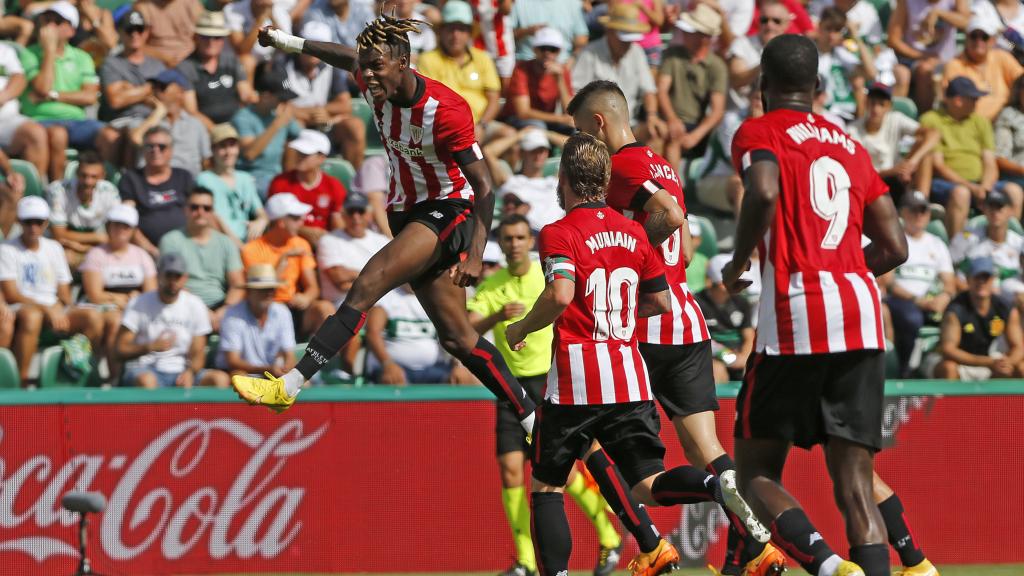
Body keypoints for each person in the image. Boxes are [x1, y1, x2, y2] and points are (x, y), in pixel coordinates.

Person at [232, 13, 538, 432]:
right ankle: (533, 418)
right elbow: (342, 57)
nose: (367, 74)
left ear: (403, 63)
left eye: (377, 65)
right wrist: (287, 42)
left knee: (368, 282)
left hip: (450, 209)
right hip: (406, 212)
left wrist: (476, 255)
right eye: (366, 64)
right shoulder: (373, 81)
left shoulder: (446, 110)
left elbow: (484, 189)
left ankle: (291, 383)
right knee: (457, 338)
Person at [503, 132, 753, 576]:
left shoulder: (559, 232)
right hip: (630, 380)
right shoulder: (635, 233)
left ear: (564, 180)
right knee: (648, 485)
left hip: (576, 385)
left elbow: (561, 295)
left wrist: (521, 327)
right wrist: (616, 315)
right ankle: (714, 486)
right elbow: (659, 302)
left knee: (546, 487)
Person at [722, 33, 916, 576]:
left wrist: (739, 263)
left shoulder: (758, 131)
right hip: (860, 312)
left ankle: (830, 567)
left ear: (763, 87)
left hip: (796, 312)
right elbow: (896, 246)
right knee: (855, 484)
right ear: (815, 88)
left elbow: (762, 191)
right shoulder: (850, 144)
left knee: (756, 472)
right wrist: (847, 272)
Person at [568, 79, 772, 566]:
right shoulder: (659, 162)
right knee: (706, 446)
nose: (582, 145)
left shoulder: (622, 166)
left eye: (582, 131)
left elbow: (670, 215)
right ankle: (754, 544)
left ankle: (649, 544)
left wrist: (627, 251)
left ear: (599, 123)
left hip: (645, 320)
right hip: (686, 317)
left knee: (588, 440)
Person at [468, 214, 623, 576]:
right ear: (502, 243)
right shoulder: (493, 285)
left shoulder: (546, 275)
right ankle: (524, 560)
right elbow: (466, 328)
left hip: (546, 382)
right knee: (510, 471)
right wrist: (496, 318)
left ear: (530, 241)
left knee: (562, 472)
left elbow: (568, 302)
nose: (515, 244)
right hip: (509, 387)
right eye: (508, 238)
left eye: (521, 237)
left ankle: (609, 538)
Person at [0, 196, 103, 384]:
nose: (33, 227)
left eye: (38, 222)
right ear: (19, 222)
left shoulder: (54, 248)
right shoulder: (7, 249)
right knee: (33, 317)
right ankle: (21, 381)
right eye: (28, 222)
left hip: (50, 308)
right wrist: (47, 308)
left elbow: (64, 291)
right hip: (22, 308)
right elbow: (11, 294)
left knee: (93, 318)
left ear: (46, 223)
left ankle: (77, 371)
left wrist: (62, 305)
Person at [922, 76, 1023, 238]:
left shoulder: (980, 122)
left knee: (1014, 191)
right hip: (946, 184)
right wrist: (971, 187)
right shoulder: (931, 120)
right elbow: (939, 166)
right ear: (958, 100)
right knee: (962, 194)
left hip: (981, 185)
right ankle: (957, 254)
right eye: (973, 98)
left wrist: (986, 187)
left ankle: (1008, 248)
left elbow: (990, 161)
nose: (977, 102)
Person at [21, 1, 118, 163]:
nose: (50, 26)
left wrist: (53, 95)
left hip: (77, 121)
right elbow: (42, 88)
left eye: (58, 22)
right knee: (58, 134)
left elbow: (90, 97)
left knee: (111, 136)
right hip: (39, 120)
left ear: (71, 30)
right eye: (46, 20)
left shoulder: (82, 57)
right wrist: (49, 52)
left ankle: (104, 184)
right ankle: (55, 187)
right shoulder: (28, 54)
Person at [116, 252, 230, 388]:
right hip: (144, 368)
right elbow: (120, 349)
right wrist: (149, 346)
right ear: (158, 276)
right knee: (147, 381)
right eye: (168, 275)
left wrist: (190, 372)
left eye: (177, 276)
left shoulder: (195, 305)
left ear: (185, 278)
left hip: (182, 369)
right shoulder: (139, 303)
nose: (173, 281)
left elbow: (198, 352)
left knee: (220, 379)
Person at [879, 191, 955, 378]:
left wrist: (943, 297)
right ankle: (904, 370)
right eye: (914, 210)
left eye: (924, 211)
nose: (919, 215)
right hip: (902, 300)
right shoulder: (895, 240)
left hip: (933, 301)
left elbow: (949, 283)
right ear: (903, 213)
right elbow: (888, 282)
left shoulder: (937, 244)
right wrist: (917, 300)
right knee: (911, 318)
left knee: (959, 312)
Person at [80, 203, 157, 386]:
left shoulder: (141, 256)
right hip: (103, 308)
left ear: (132, 230)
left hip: (135, 308)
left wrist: (134, 301)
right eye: (116, 224)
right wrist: (121, 300)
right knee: (116, 321)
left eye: (126, 226)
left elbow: (151, 292)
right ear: (109, 227)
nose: (120, 229)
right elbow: (94, 294)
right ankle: (115, 377)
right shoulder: (96, 254)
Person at [571, 4, 665, 150]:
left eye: (630, 38)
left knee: (656, 133)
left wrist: (652, 115)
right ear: (609, 31)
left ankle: (647, 173)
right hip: (596, 129)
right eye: (624, 38)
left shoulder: (637, 52)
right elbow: (575, 95)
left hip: (629, 125)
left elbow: (649, 90)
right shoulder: (589, 54)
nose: (627, 43)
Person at [241, 192, 334, 338]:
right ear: (281, 223)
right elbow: (261, 291)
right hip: (266, 308)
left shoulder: (300, 244)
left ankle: (323, 358)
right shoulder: (251, 249)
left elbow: (313, 287)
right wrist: (283, 261)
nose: (302, 222)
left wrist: (306, 297)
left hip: (294, 307)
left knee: (325, 308)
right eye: (296, 218)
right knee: (275, 311)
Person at [417, 0, 506, 141]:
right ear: (442, 31)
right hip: (443, 128)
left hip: (481, 125)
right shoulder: (427, 59)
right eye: (451, 28)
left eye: (462, 29)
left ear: (469, 33)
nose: (456, 35)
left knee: (509, 136)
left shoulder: (483, 58)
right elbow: (428, 102)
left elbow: (494, 99)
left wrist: (482, 125)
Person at [923, 255, 1024, 379]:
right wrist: (988, 362)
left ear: (993, 280)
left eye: (986, 277)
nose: (981, 282)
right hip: (957, 362)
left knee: (1021, 368)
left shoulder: (1005, 308)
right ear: (968, 279)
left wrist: (1008, 363)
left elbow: (1019, 347)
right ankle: (948, 399)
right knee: (949, 368)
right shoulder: (955, 309)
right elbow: (948, 350)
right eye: (977, 277)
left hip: (989, 359)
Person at [158, 186, 245, 330]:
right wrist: (201, 311)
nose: (200, 212)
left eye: (206, 208)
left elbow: (237, 284)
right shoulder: (171, 240)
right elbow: (171, 282)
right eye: (194, 207)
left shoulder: (226, 243)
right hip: (181, 304)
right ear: (185, 210)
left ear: (213, 212)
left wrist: (225, 311)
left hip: (221, 306)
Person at [286, 21, 365, 168]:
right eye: (309, 45)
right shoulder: (283, 64)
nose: (313, 50)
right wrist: (313, 115)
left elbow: (345, 105)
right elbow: (280, 107)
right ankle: (291, 186)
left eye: (319, 46)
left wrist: (325, 115)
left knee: (355, 126)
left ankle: (354, 182)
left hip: (324, 125)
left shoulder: (332, 68)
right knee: (292, 126)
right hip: (294, 126)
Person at [658, 4, 728, 167]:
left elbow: (717, 111)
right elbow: (662, 90)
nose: (683, 33)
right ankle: (673, 190)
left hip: (694, 128)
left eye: (689, 31)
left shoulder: (717, 66)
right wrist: (673, 120)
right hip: (668, 123)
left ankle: (672, 191)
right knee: (661, 137)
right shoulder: (672, 54)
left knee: (671, 141)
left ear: (704, 37)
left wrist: (695, 136)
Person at [846, 82, 939, 204]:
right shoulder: (852, 130)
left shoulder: (895, 119)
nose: (875, 109)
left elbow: (934, 134)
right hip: (871, 184)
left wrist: (912, 162)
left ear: (889, 107)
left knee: (925, 153)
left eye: (881, 104)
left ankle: (920, 203)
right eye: (872, 103)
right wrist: (893, 171)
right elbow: (858, 173)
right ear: (866, 103)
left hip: (896, 178)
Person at [119, 126, 195, 256]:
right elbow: (127, 220)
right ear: (143, 150)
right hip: (145, 252)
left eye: (162, 146)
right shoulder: (131, 179)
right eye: (150, 146)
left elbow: (198, 212)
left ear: (171, 150)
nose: (156, 150)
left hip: (186, 248)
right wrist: (152, 251)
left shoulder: (184, 177)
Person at [232, 61, 302, 197]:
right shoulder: (243, 118)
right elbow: (250, 154)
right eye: (281, 99)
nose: (285, 103)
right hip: (251, 178)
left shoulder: (279, 113)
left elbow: (300, 136)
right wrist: (276, 124)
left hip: (277, 177)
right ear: (265, 96)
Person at [886, 0, 970, 114]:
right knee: (925, 70)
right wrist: (923, 56)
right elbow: (893, 40)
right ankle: (925, 118)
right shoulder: (906, 2)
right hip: (914, 60)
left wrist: (938, 13)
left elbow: (966, 21)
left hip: (948, 61)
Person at [177, 11, 256, 131]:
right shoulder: (185, 67)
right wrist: (218, 132)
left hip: (237, 124)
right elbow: (191, 111)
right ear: (195, 38)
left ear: (223, 40)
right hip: (204, 129)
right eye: (205, 37)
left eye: (217, 37)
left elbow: (246, 96)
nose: (211, 42)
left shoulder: (231, 61)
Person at [215, 263, 297, 378]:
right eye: (263, 289)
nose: (269, 293)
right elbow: (232, 361)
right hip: (246, 373)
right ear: (249, 292)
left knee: (302, 383)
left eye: (272, 289)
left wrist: (287, 368)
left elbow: (289, 354)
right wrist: (268, 370)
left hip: (272, 372)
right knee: (239, 377)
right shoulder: (232, 314)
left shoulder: (282, 312)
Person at [266, 129, 346, 245]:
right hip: (288, 243)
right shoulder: (280, 183)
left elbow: (338, 225)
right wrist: (302, 231)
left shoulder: (333, 186)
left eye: (305, 154)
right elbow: (274, 222)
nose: (299, 157)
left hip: (324, 245)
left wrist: (328, 241)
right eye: (299, 153)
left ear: (321, 158)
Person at [941, 11, 1023, 122]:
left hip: (1007, 120)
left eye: (984, 37)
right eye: (974, 36)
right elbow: (953, 102)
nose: (979, 41)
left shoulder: (1002, 57)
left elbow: (1020, 80)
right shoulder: (954, 64)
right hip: (971, 125)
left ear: (993, 40)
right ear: (966, 38)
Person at [130, 69, 210, 177]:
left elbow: (207, 161)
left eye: (162, 87)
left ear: (180, 92)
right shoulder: (143, 121)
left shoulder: (195, 125)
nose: (156, 91)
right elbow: (136, 138)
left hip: (186, 186)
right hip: (150, 185)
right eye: (154, 87)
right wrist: (157, 114)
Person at [47, 151, 121, 269]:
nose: (88, 181)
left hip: (94, 248)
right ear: (76, 173)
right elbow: (58, 235)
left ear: (102, 176)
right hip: (65, 248)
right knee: (66, 258)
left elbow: (115, 236)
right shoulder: (58, 190)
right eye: (84, 175)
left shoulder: (110, 192)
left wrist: (81, 246)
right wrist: (97, 237)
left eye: (94, 177)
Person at [197, 123, 266, 248]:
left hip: (247, 243)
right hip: (219, 243)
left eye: (232, 145)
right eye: (222, 147)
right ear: (213, 150)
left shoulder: (245, 178)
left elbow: (260, 212)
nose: (228, 152)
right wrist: (239, 246)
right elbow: (212, 219)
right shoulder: (204, 179)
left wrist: (261, 222)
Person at [483, 128, 563, 233]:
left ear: (547, 153)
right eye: (533, 150)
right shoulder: (510, 182)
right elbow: (488, 152)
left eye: (542, 150)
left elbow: (579, 148)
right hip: (523, 235)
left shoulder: (556, 181)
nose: (538, 155)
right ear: (522, 153)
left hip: (555, 235)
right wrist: (520, 135)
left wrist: (546, 133)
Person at [497, 27, 575, 134]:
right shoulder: (521, 70)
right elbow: (523, 112)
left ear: (559, 52)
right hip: (515, 119)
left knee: (576, 130)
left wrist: (559, 80)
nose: (547, 53)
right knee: (538, 127)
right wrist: (560, 119)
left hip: (547, 120)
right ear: (535, 49)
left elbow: (569, 112)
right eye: (543, 48)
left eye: (553, 49)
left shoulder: (561, 72)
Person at [98, 10, 166, 132]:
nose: (135, 35)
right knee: (135, 131)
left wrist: (131, 91)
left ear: (146, 32)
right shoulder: (111, 63)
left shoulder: (157, 65)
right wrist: (151, 88)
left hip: (156, 120)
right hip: (123, 122)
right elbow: (116, 100)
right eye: (129, 30)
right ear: (119, 32)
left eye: (139, 29)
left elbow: (168, 98)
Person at [317, 191, 388, 305]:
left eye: (361, 211)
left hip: (386, 299)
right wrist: (379, 277)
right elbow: (339, 277)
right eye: (351, 212)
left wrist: (353, 276)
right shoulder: (329, 240)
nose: (356, 217)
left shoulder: (382, 241)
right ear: (343, 215)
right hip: (345, 302)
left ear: (369, 215)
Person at [948, 188, 1024, 292]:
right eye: (991, 207)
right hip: (971, 296)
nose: (994, 212)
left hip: (1009, 298)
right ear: (984, 209)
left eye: (999, 207)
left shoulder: (1019, 244)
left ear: (1010, 211)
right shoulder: (967, 237)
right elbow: (949, 270)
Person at [696, 253, 755, 383]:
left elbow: (749, 335)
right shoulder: (696, 303)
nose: (740, 286)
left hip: (738, 355)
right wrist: (730, 358)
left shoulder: (741, 302)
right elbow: (700, 341)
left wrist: (745, 358)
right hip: (710, 357)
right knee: (716, 371)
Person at [0, 38, 50, 181]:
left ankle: (33, 194)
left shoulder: (4, 50)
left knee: (36, 132)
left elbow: (20, 79)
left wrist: (3, 96)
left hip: (7, 120)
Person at [815, 7, 876, 123]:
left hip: (850, 116)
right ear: (820, 26)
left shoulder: (843, 54)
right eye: (828, 29)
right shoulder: (810, 53)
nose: (832, 35)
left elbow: (871, 73)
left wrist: (855, 36)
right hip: (824, 115)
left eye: (837, 30)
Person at [134, 0, 204, 67]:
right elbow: (138, 45)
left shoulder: (192, 3)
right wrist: (165, 59)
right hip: (157, 64)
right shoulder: (143, 6)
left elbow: (204, 36)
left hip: (191, 62)